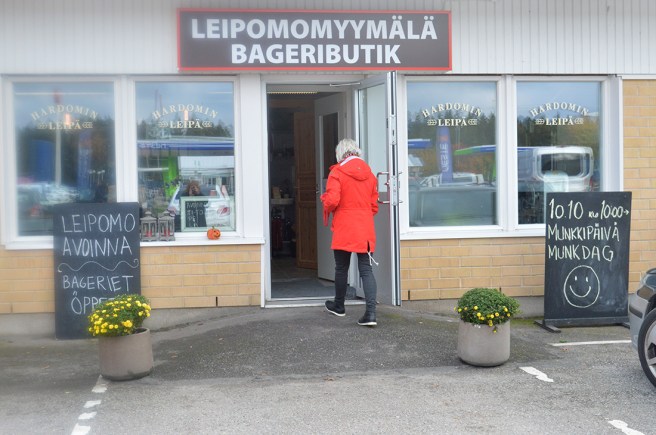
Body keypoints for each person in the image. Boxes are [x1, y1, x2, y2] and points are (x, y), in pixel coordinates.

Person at [321, 138, 379, 327]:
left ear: (340, 153)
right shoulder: (370, 175)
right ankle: (371, 314)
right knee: (366, 269)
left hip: (344, 226)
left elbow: (332, 201)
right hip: (365, 227)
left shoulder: (337, 172)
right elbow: (374, 206)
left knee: (341, 268)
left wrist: (324, 200)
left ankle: (339, 306)